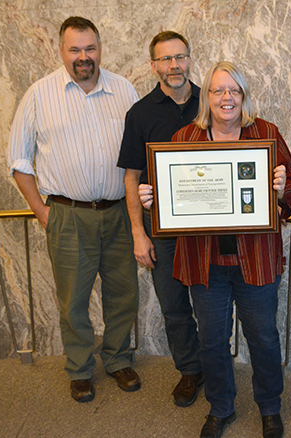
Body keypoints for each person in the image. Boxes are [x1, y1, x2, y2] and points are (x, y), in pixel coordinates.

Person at [139, 61, 291, 438]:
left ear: (243, 96)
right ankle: (221, 406)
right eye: (218, 90)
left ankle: (270, 407)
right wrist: (153, 202)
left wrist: (281, 190)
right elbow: (173, 203)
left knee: (263, 337)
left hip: (255, 260)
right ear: (206, 97)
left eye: (234, 91)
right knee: (212, 340)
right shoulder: (184, 139)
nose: (226, 98)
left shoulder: (266, 133)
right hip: (204, 263)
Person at [7, 16, 141, 403]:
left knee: (124, 293)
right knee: (73, 300)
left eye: (90, 48)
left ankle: (118, 359)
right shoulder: (39, 94)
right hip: (67, 215)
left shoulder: (123, 89)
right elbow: (19, 161)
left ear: (100, 49)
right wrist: (41, 212)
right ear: (61, 51)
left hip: (118, 212)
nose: (84, 57)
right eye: (75, 49)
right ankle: (80, 369)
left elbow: (138, 151)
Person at [116, 31, 204, 407]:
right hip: (162, 231)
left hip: (207, 229)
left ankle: (216, 365)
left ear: (189, 60)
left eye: (180, 57)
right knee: (173, 306)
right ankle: (190, 370)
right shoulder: (140, 113)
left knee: (211, 304)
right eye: (165, 59)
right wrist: (139, 232)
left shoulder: (213, 101)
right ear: (154, 65)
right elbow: (132, 177)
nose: (174, 66)